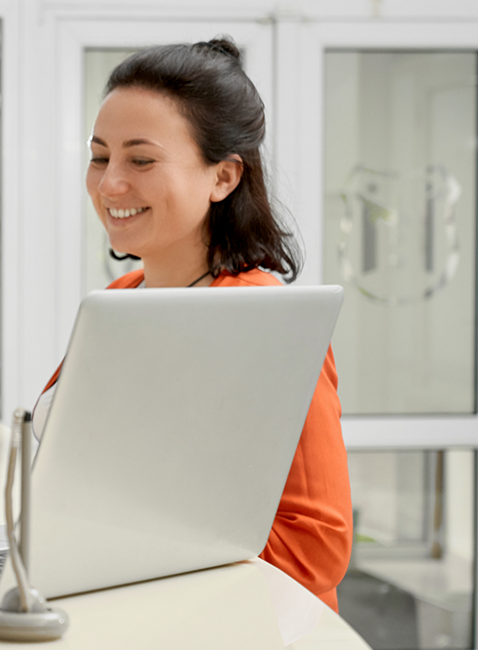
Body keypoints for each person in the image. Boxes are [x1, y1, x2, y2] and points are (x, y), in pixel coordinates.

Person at [36, 38, 352, 611]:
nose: (109, 184)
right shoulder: (121, 298)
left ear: (224, 178)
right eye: (99, 155)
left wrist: (126, 550)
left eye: (141, 159)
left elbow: (316, 547)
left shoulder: (266, 322)